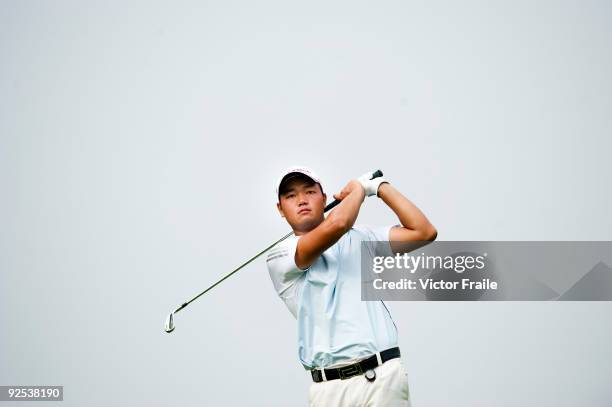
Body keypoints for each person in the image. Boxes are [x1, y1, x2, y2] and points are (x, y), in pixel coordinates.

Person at [266, 166, 437, 407]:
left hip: (382, 378)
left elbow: (424, 232)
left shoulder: (361, 239)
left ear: (324, 199)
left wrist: (379, 188)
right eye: (290, 196)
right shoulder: (280, 256)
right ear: (280, 209)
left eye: (310, 192)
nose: (302, 200)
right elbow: (338, 223)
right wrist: (358, 190)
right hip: (327, 390)